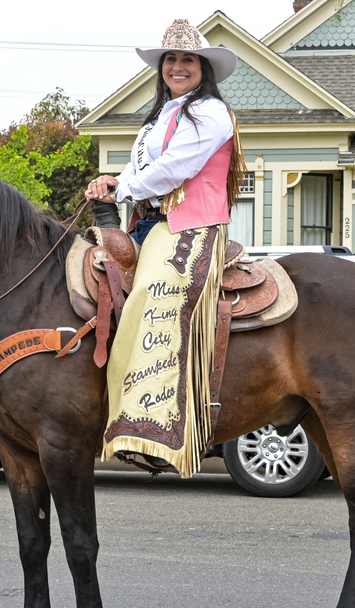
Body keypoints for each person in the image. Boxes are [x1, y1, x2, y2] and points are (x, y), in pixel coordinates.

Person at [85, 18, 245, 478]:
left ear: (203, 68)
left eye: (187, 60)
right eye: (170, 60)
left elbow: (173, 170)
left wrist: (120, 188)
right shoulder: (160, 117)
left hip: (191, 228)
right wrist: (113, 181)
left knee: (153, 298)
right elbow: (148, 171)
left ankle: (153, 425)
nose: (177, 66)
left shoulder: (210, 113)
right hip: (152, 224)